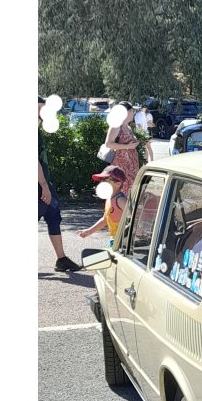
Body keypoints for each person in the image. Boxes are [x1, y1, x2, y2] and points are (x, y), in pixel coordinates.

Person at [39, 97, 81, 273]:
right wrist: (43, 185)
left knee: (54, 218)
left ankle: (61, 259)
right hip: (39, 186)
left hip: (44, 183)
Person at [78, 165, 129, 242]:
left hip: (123, 242)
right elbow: (105, 219)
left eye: (106, 179)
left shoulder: (120, 200)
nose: (102, 182)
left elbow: (135, 217)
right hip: (114, 240)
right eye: (102, 180)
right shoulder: (109, 199)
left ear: (118, 184)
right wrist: (89, 231)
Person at [102, 102, 141, 194]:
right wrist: (128, 146)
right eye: (132, 111)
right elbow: (108, 144)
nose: (133, 113)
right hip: (122, 165)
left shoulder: (128, 127)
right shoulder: (116, 125)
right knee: (123, 188)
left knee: (131, 189)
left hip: (131, 165)